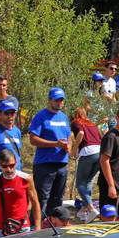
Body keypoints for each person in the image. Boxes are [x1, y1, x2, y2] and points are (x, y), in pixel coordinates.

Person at [0, 149, 41, 238]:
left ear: (16, 163)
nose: (9, 169)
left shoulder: (26, 178)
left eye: (11, 165)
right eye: (4, 166)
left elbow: (35, 202)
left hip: (22, 227)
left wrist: (38, 227)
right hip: (1, 228)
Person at [29, 87, 71, 216]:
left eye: (61, 100)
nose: (59, 103)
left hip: (62, 164)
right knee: (41, 199)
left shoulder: (64, 117)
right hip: (45, 164)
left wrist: (68, 146)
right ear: (49, 100)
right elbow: (33, 139)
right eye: (56, 100)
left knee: (57, 200)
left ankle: (53, 227)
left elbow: (68, 136)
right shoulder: (41, 116)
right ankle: (35, 228)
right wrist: (55, 144)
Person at [71, 103, 102, 223]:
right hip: (99, 152)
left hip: (87, 152)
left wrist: (74, 150)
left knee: (80, 184)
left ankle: (91, 208)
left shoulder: (76, 122)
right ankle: (84, 211)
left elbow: (81, 134)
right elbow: (101, 136)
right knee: (88, 181)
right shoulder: (93, 124)